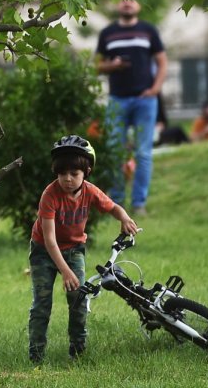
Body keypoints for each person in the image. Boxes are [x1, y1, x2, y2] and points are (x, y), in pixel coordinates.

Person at [28, 135, 139, 364]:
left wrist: (125, 218)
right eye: (62, 173)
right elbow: (49, 240)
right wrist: (66, 271)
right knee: (42, 303)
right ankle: (36, 355)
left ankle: (77, 350)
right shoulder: (50, 195)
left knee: (78, 299)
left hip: (74, 249)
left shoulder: (90, 191)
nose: (67, 179)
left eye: (74, 173)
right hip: (44, 251)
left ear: (86, 172)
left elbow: (114, 207)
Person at [95, 0, 167, 215]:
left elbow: (162, 62)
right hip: (117, 101)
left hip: (145, 100)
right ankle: (116, 202)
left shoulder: (148, 31)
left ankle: (139, 203)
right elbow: (97, 65)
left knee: (143, 153)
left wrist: (155, 89)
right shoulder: (107, 33)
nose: (127, 2)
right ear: (117, 5)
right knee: (114, 152)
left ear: (139, 5)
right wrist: (112, 65)